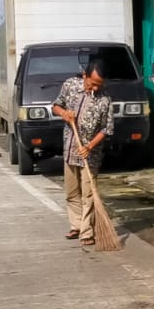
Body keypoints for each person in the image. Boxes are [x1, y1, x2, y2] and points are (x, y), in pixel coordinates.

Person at [53, 59, 115, 247]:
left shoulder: (105, 99)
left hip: (90, 154)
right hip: (70, 148)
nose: (95, 88)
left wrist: (89, 147)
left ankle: (87, 231)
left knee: (88, 194)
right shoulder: (70, 85)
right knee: (72, 192)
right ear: (84, 76)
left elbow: (107, 129)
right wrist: (64, 114)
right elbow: (55, 105)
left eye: (99, 85)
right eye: (92, 83)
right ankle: (77, 226)